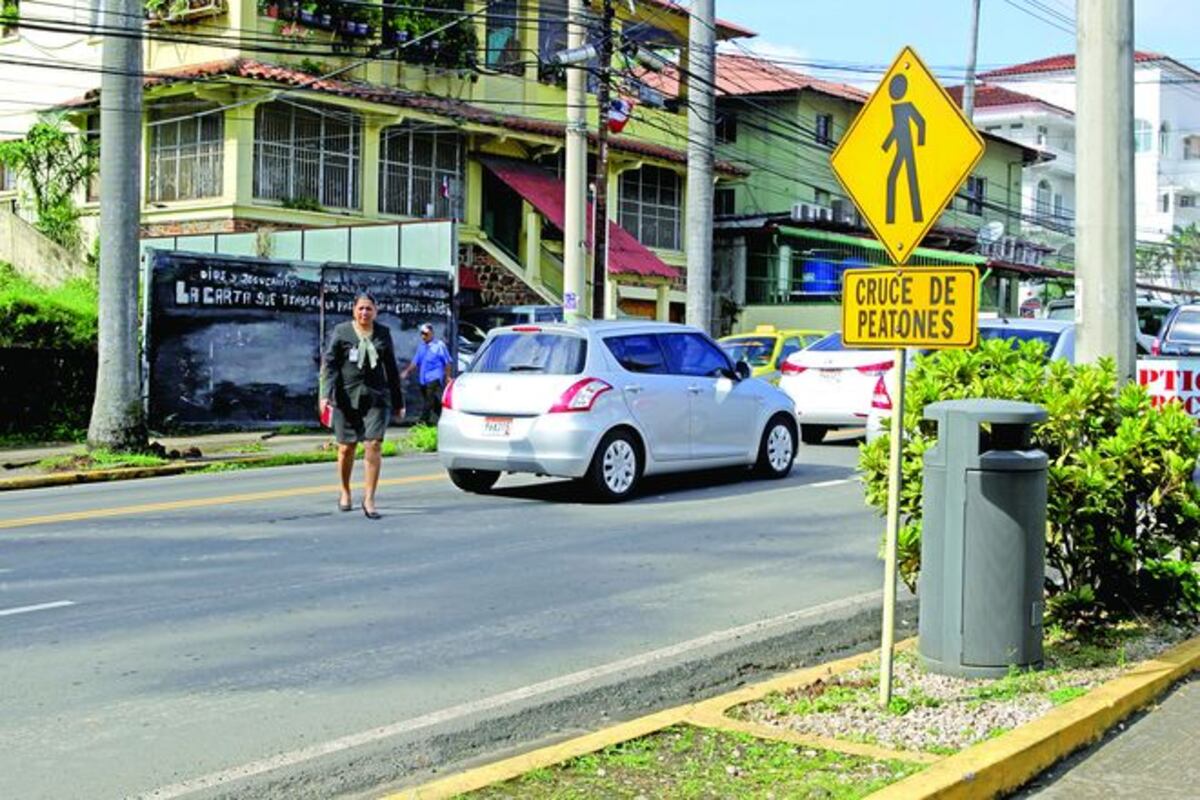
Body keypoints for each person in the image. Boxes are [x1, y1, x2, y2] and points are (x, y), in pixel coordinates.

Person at [319, 293, 404, 520]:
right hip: (345, 398)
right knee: (346, 448)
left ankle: (369, 499)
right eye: (361, 308)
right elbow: (330, 365)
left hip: (375, 399)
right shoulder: (342, 332)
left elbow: (391, 369)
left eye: (369, 309)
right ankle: (345, 491)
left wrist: (399, 402)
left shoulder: (383, 333)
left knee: (373, 444)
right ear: (354, 311)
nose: (364, 313)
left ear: (375, 311)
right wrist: (324, 395)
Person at [402, 322, 453, 425]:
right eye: (422, 333)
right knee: (431, 400)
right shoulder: (421, 347)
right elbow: (415, 362)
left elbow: (447, 362)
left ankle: (422, 421)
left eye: (425, 334)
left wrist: (447, 376)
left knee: (429, 400)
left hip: (435, 377)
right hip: (424, 378)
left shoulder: (439, 346)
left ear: (431, 333)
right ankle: (445, 417)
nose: (423, 336)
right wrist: (406, 371)